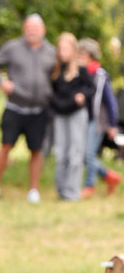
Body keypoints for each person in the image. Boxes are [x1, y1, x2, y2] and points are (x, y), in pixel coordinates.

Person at [0, 14, 56, 204]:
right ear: (24, 29)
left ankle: (33, 190)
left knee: (36, 150)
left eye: (36, 28)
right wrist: (2, 82)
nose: (32, 31)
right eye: (29, 28)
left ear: (43, 30)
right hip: (15, 107)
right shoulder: (13, 47)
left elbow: (58, 77)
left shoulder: (51, 51)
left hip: (39, 110)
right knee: (6, 146)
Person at [50, 33, 94, 201]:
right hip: (60, 115)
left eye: (66, 48)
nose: (63, 52)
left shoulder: (81, 69)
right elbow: (51, 93)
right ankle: (61, 190)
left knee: (75, 154)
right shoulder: (55, 70)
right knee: (61, 154)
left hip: (76, 115)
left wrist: (82, 95)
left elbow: (91, 88)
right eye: (60, 49)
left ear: (73, 50)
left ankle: (72, 192)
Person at [78, 38, 121, 198]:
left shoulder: (100, 75)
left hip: (97, 121)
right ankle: (109, 176)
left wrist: (112, 124)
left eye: (82, 54)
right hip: (83, 120)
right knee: (83, 155)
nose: (79, 57)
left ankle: (90, 186)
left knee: (88, 154)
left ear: (91, 55)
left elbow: (110, 102)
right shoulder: (80, 74)